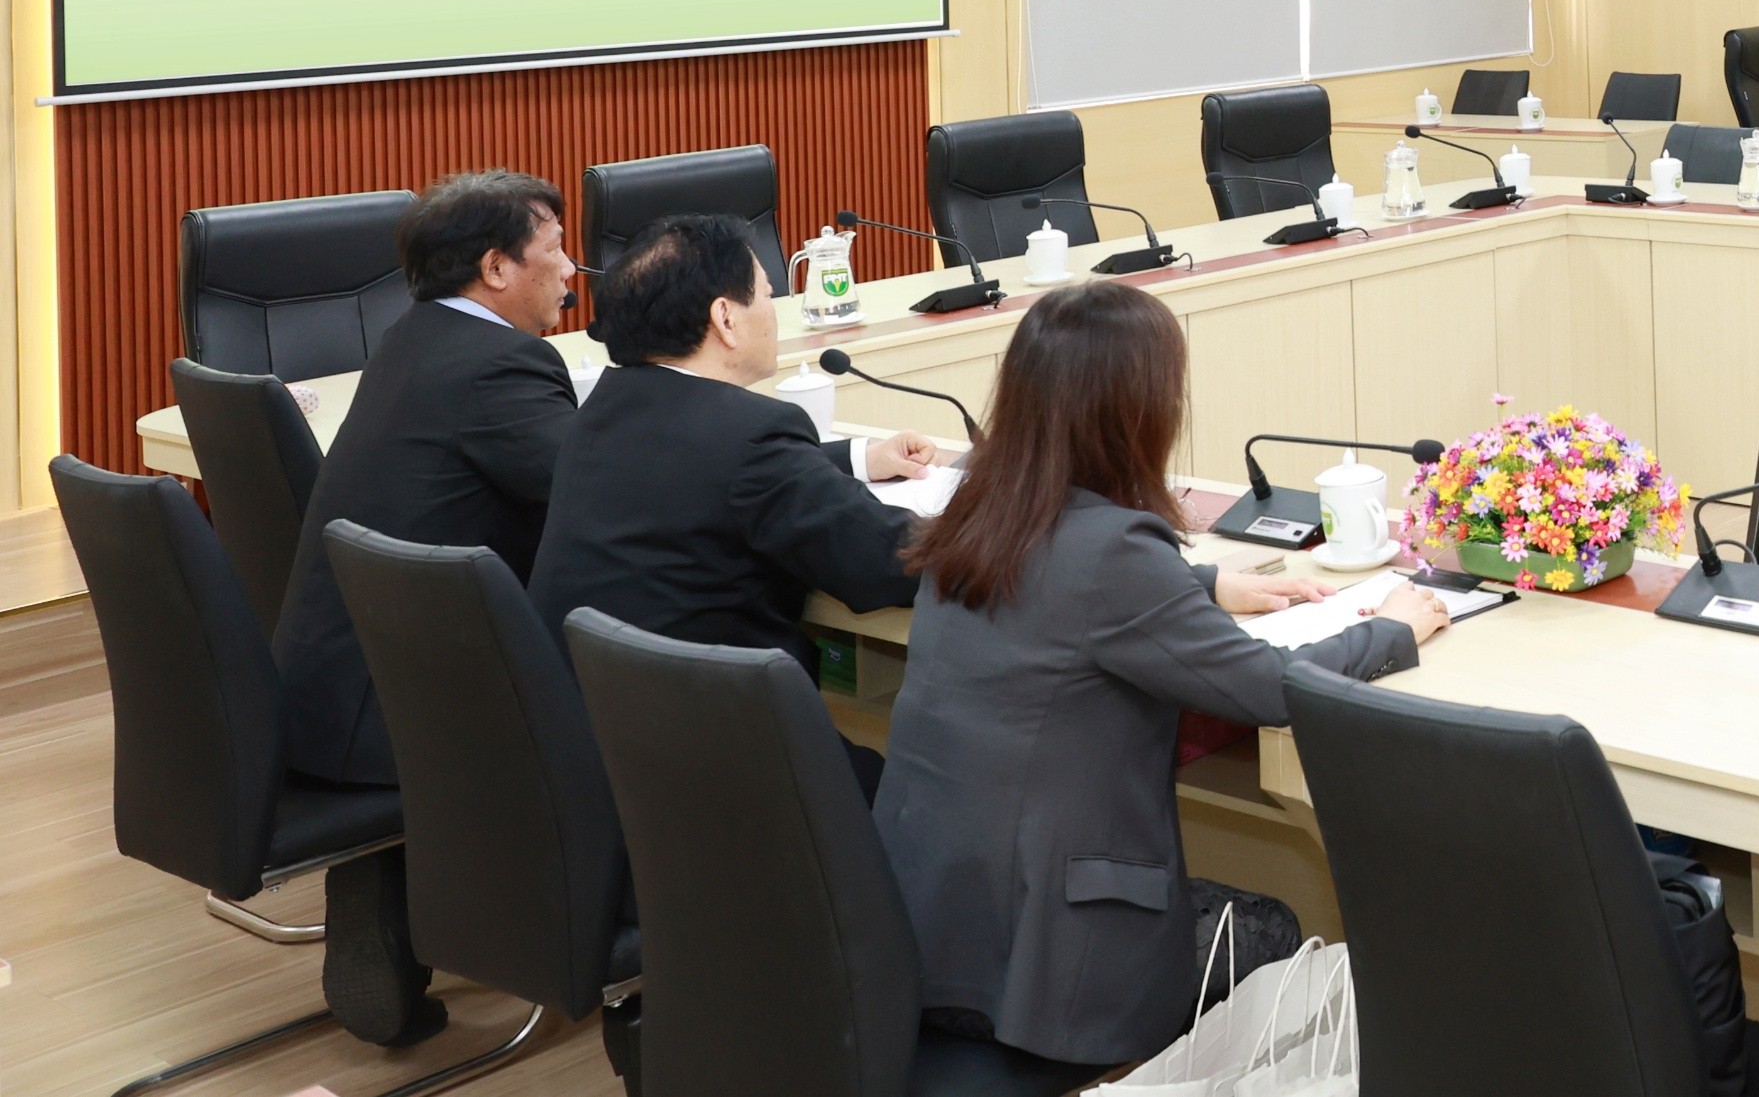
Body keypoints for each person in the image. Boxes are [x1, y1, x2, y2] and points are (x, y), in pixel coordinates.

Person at [877, 279, 1451, 1071]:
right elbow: (1271, 689)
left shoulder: (977, 507)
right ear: (1136, 410)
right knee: (1279, 931)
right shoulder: (1116, 554)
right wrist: (1391, 629)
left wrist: (1203, 583)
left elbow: (1061, 587)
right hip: (1043, 963)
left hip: (927, 931)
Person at [527, 214, 940, 795]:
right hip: (728, 770)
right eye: (768, 295)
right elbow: (888, 559)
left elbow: (698, 470)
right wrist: (1003, 515)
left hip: (600, 759)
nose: (775, 311)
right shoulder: (751, 435)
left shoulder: (600, 413)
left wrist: (851, 459)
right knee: (936, 792)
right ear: (725, 318)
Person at [275, 169, 581, 789]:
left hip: (331, 701)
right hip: (398, 722)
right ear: (496, 268)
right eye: (555, 250)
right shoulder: (501, 365)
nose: (571, 269)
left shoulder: (415, 335)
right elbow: (597, 497)